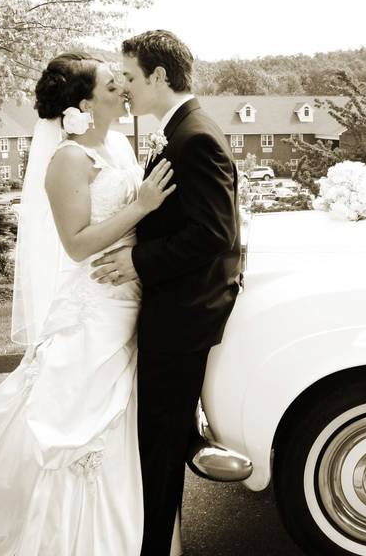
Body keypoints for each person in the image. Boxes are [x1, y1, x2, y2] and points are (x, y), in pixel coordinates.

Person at [0, 52, 176, 555]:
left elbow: (137, 228)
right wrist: (140, 206)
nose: (125, 90)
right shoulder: (68, 158)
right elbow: (77, 243)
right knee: (72, 416)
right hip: (94, 304)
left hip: (130, 296)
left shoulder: (118, 146)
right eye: (113, 84)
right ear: (85, 101)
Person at [90, 30, 242, 555]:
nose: (125, 88)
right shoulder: (180, 130)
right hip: (174, 305)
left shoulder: (194, 137)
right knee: (161, 433)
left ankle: (154, 547)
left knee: (157, 442)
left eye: (129, 77)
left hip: (184, 313)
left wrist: (136, 261)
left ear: (158, 76)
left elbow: (214, 234)